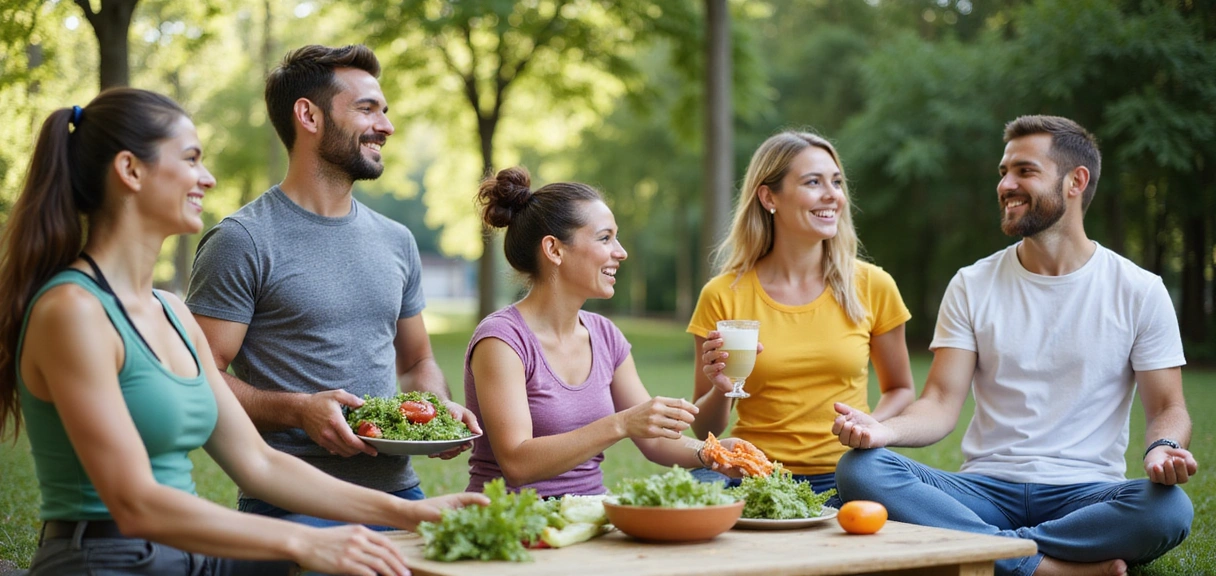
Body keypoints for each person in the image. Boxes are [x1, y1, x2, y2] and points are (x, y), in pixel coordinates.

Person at [0, 88, 486, 576]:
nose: (207, 179)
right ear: (130, 170)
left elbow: (259, 464)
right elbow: (135, 503)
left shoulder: (171, 311)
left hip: (190, 557)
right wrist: (303, 542)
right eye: (191, 160)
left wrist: (409, 512)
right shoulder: (73, 310)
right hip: (107, 558)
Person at [831, 115, 1195, 576]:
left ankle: (984, 550)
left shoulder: (1139, 290)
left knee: (1169, 509)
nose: (1006, 184)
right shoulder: (972, 284)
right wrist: (887, 433)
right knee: (861, 470)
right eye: (1003, 172)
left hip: (1085, 494)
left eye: (1024, 171)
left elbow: (1169, 406)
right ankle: (1049, 568)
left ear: (1075, 182)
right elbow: (941, 401)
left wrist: (1162, 446)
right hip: (983, 491)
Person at [186, 44, 480, 528]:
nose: (385, 125)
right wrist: (300, 411)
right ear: (309, 115)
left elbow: (417, 360)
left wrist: (431, 407)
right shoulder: (242, 240)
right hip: (293, 499)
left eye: (384, 110)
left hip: (400, 490)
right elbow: (201, 377)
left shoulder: (397, 240)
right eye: (366, 109)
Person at [464, 166, 753, 497]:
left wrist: (711, 453)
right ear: (554, 249)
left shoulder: (605, 335)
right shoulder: (502, 340)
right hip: (512, 523)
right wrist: (620, 423)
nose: (621, 252)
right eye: (605, 238)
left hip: (589, 517)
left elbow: (654, 438)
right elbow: (517, 464)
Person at [691, 131, 916, 502]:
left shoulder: (873, 285)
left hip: (849, 473)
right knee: (693, 496)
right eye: (814, 182)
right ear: (768, 197)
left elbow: (900, 388)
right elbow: (705, 430)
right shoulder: (722, 294)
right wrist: (719, 385)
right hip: (752, 473)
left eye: (837, 182)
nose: (833, 195)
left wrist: (869, 424)